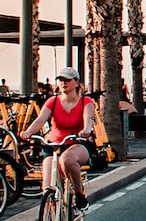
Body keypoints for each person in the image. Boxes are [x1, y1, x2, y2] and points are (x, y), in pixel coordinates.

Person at [20, 66, 96, 208]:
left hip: (77, 143)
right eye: (61, 80)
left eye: (67, 80)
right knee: (47, 186)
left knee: (66, 160)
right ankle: (52, 218)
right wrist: (28, 132)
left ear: (76, 82)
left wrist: (86, 130)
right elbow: (40, 120)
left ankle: (79, 194)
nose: (63, 83)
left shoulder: (86, 101)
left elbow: (88, 118)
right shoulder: (52, 101)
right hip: (54, 144)